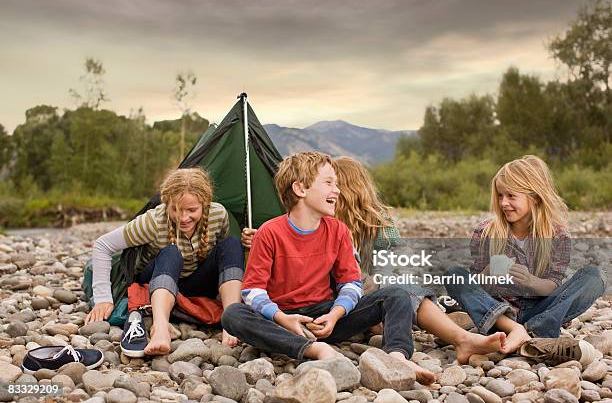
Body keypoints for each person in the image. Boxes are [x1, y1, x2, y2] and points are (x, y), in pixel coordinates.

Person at [228, 152, 505, 385]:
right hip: (285, 320)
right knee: (233, 314)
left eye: (337, 183)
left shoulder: (337, 231)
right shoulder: (269, 232)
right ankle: (313, 350)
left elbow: (350, 283)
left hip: (326, 317)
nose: (336, 190)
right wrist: (282, 318)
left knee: (395, 294)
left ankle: (396, 356)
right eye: (328, 183)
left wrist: (336, 314)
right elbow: (252, 289)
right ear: (300, 189)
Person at [445, 155, 605, 354]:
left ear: (535, 197)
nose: (504, 203)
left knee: (594, 277)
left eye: (511, 196)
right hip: (498, 310)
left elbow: (552, 285)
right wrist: (486, 275)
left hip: (539, 309)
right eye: (500, 196)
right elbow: (477, 286)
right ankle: (516, 330)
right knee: (454, 274)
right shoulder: (485, 232)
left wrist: (530, 281)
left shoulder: (557, 235)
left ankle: (535, 329)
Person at [85, 168, 244, 356]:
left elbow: (223, 256)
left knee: (232, 243)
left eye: (192, 210)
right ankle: (160, 328)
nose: (184, 218)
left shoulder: (218, 215)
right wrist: (103, 299)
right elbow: (103, 245)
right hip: (157, 280)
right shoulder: (153, 221)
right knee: (171, 251)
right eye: (176, 209)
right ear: (166, 203)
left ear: (205, 203)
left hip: (194, 284)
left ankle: (231, 321)